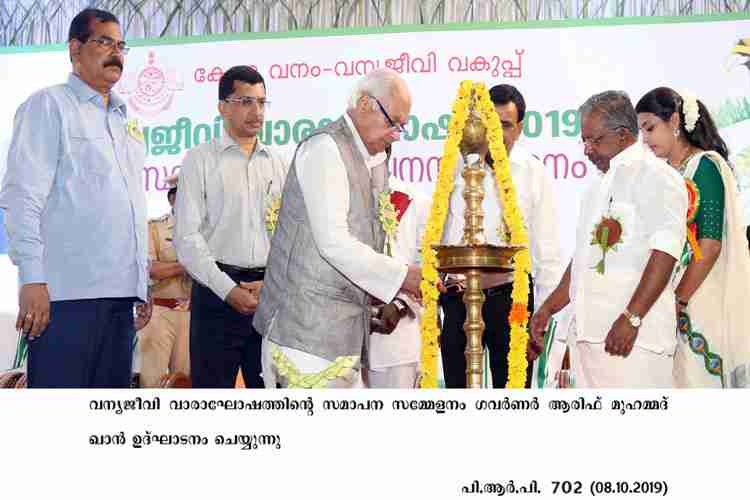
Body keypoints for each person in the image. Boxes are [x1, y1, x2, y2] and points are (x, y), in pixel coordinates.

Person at [0, 8, 151, 388]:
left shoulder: (125, 120)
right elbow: (22, 197)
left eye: (120, 45)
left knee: (104, 425)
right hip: (66, 296)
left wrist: (141, 284)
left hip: (120, 299)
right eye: (103, 42)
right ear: (74, 48)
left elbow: (130, 208)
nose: (115, 52)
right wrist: (32, 279)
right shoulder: (48, 106)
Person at [254, 68, 422, 389]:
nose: (396, 134)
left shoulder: (371, 162)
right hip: (304, 336)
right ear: (364, 104)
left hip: (340, 339)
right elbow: (333, 242)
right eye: (393, 122)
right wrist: (402, 276)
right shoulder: (325, 149)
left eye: (402, 126)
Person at [529, 90, 687, 388]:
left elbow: (665, 253)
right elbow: (583, 261)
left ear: (624, 135)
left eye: (595, 140)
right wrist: (548, 309)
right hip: (588, 338)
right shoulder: (596, 187)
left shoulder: (657, 177)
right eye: (584, 140)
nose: (587, 150)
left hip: (634, 343)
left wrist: (632, 317)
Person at [440, 84, 562, 388]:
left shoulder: (534, 172)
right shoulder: (456, 166)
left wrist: (542, 318)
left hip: (512, 300)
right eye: (488, 123)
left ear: (519, 128)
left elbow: (548, 253)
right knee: (456, 392)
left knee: (513, 395)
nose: (495, 133)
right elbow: (439, 233)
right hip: (458, 299)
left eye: (504, 125)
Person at [174, 66, 287, 389]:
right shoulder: (201, 159)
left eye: (263, 102)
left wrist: (271, 281)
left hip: (268, 292)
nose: (257, 112)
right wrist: (228, 289)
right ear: (223, 106)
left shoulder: (278, 162)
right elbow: (186, 238)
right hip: (216, 293)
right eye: (246, 101)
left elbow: (291, 235)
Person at [636, 87, 750, 388]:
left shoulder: (705, 167)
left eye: (650, 128)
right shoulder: (662, 173)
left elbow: (710, 245)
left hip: (698, 296)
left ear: (674, 121)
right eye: (641, 131)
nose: (645, 139)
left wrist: (679, 300)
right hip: (665, 298)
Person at [367, 178, 430, 388]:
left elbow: (428, 270)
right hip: (343, 339)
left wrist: (400, 305)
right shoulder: (335, 197)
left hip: (396, 337)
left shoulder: (411, 199)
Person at [137, 175, 192, 387]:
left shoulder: (206, 232)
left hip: (192, 315)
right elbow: (152, 270)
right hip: (159, 314)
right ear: (172, 199)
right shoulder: (154, 228)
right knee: (152, 382)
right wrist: (187, 265)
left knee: (186, 383)